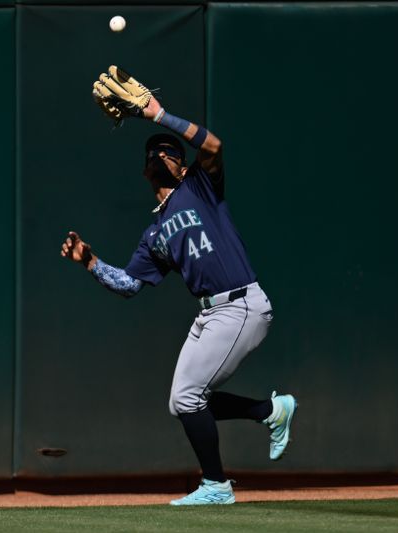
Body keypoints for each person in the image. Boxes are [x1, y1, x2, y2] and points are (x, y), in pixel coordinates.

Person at [60, 85, 297, 506]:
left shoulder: (201, 187)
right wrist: (90, 262)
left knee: (189, 398)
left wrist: (159, 116)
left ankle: (216, 485)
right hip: (210, 314)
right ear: (145, 170)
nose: (161, 154)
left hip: (240, 303)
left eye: (170, 151)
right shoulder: (153, 235)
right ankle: (269, 412)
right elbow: (130, 285)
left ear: (183, 166)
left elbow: (214, 144)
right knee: (182, 401)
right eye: (154, 152)